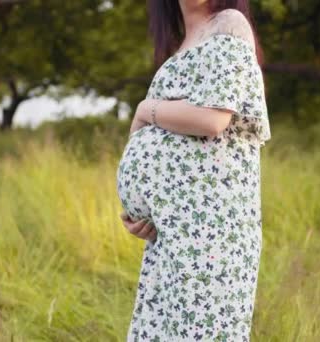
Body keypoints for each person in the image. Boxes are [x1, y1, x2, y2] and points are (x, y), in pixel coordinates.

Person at [116, 1, 271, 341]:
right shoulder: (179, 48)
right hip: (171, 235)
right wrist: (137, 205)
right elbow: (142, 141)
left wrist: (146, 108)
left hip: (214, 233)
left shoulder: (228, 25)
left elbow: (213, 120)